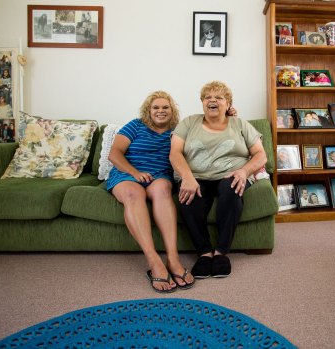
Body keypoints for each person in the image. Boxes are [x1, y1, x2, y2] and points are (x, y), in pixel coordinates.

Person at [169, 81, 267, 279]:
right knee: (189, 198)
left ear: (228, 102)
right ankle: (204, 253)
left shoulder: (240, 124)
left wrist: (244, 172)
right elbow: (175, 153)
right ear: (202, 102)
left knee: (231, 188)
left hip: (231, 173)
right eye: (207, 97)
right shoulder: (189, 123)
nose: (212, 100)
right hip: (196, 176)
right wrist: (187, 177)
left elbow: (260, 155)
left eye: (218, 97)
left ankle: (221, 252)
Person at [107, 90, 195, 293]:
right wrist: (135, 173)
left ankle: (173, 260)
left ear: (172, 110)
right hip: (128, 173)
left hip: (159, 175)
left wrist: (229, 115)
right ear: (148, 110)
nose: (161, 111)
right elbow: (115, 153)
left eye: (165, 107)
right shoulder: (136, 125)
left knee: (163, 189)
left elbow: (207, 130)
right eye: (156, 107)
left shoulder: (178, 130)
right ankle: (154, 261)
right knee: (133, 194)